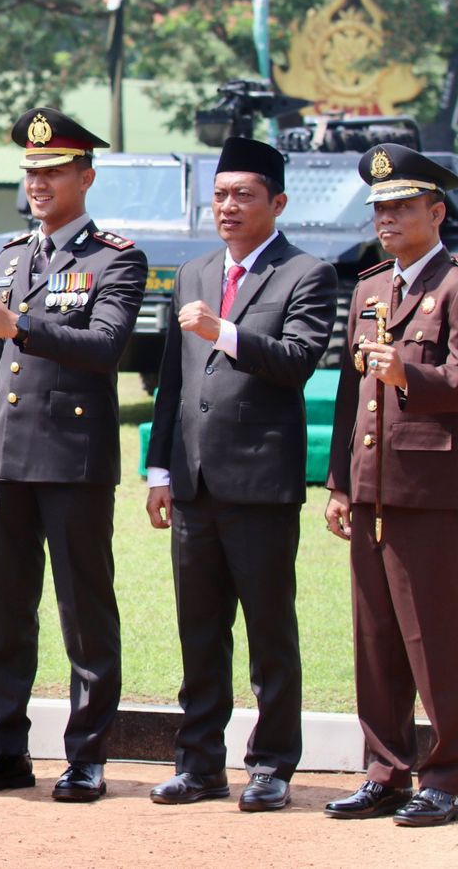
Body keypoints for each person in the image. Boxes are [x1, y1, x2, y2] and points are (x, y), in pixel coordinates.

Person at [0, 108, 146, 802]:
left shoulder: (115, 257)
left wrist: (24, 325)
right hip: (4, 461)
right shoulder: (9, 255)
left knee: (85, 614)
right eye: (31, 171)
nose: (39, 182)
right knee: (4, 615)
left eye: (54, 171)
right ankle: (4, 751)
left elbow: (106, 349)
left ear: (85, 177)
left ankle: (87, 756)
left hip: (72, 460)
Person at [143, 137, 337, 810]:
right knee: (199, 632)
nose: (226, 206)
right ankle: (198, 764)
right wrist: (159, 468)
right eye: (219, 194)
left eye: (242, 195)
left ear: (276, 203)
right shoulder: (195, 272)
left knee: (268, 632)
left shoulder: (307, 273)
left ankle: (273, 764)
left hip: (259, 486)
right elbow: (173, 382)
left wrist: (225, 332)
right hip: (193, 485)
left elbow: (297, 359)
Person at [322, 143, 458, 827]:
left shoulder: (457, 285)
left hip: (432, 493)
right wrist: (340, 481)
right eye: (379, 207)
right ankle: (385, 770)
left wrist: (413, 373)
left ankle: (447, 774)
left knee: (433, 639)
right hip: (371, 488)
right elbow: (352, 395)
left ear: (438, 211)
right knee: (374, 639)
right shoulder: (372, 287)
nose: (388, 218)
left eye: (403, 206)